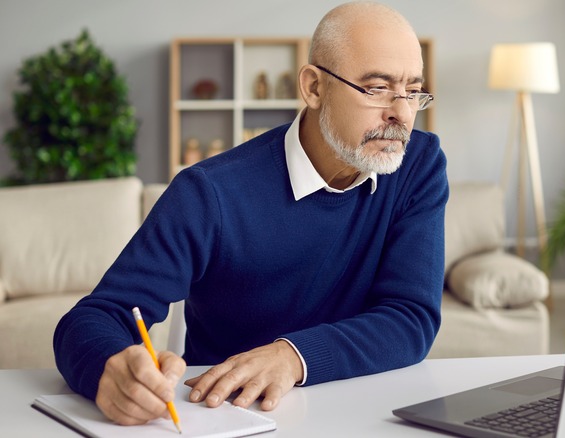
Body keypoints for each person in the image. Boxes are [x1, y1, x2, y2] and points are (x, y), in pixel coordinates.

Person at [53, 1, 448, 426]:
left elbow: (411, 316)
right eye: (376, 88)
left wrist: (293, 357)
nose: (402, 114)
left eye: (412, 91)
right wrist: (108, 369)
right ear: (314, 88)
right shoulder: (210, 192)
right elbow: (95, 318)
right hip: (230, 416)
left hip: (367, 411)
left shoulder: (417, 164)